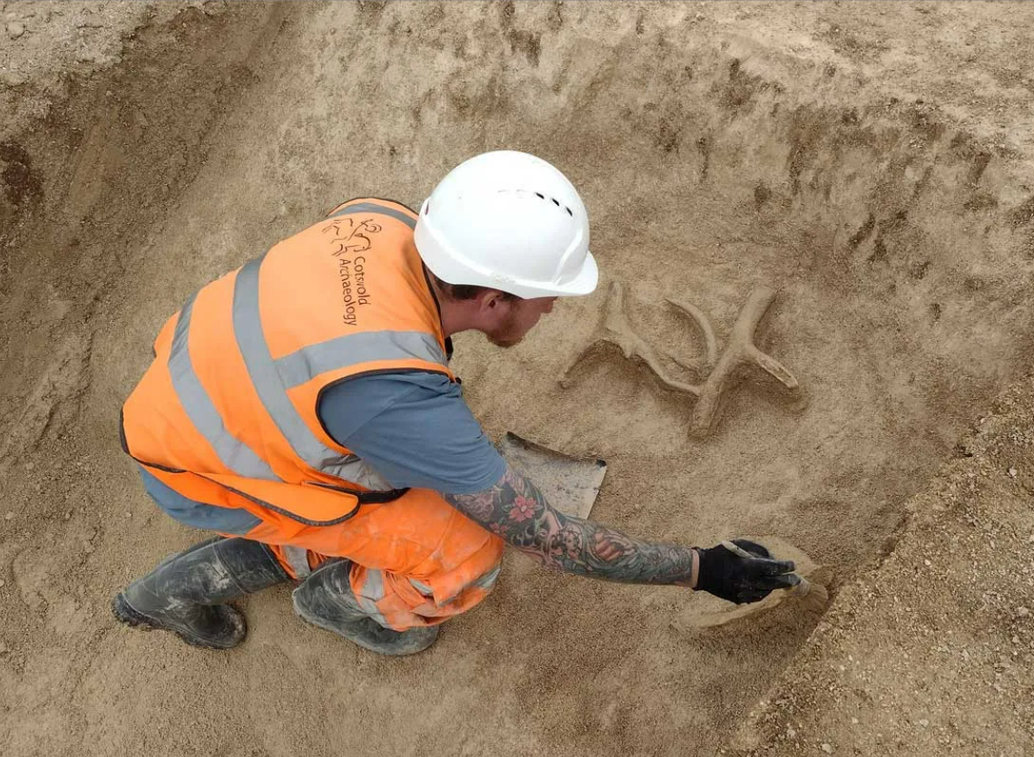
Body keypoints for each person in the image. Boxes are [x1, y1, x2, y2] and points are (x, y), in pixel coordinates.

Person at [113, 150, 799, 655]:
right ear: (494, 299)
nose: (555, 309)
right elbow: (555, 542)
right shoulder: (392, 396)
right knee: (467, 549)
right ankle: (337, 602)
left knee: (400, 493)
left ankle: (214, 574)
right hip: (201, 463)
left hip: (196, 393)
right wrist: (704, 567)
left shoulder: (380, 222)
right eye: (548, 297)